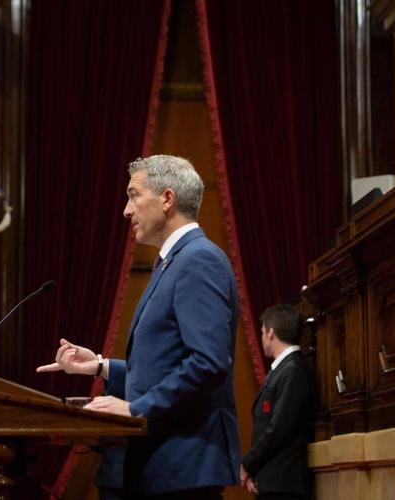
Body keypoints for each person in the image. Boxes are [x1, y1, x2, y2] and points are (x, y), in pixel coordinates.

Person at [37, 155, 241, 499]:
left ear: (167, 198)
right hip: (166, 463)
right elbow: (167, 364)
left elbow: (209, 362)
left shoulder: (198, 259)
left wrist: (135, 409)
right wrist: (101, 366)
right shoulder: (173, 262)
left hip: (184, 465)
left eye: (134, 196)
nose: (126, 211)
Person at [240, 304, 315, 500]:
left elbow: (278, 429)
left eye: (262, 332)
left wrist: (248, 464)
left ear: (271, 332)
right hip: (272, 483)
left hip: (284, 486)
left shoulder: (293, 370)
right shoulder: (283, 370)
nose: (262, 337)